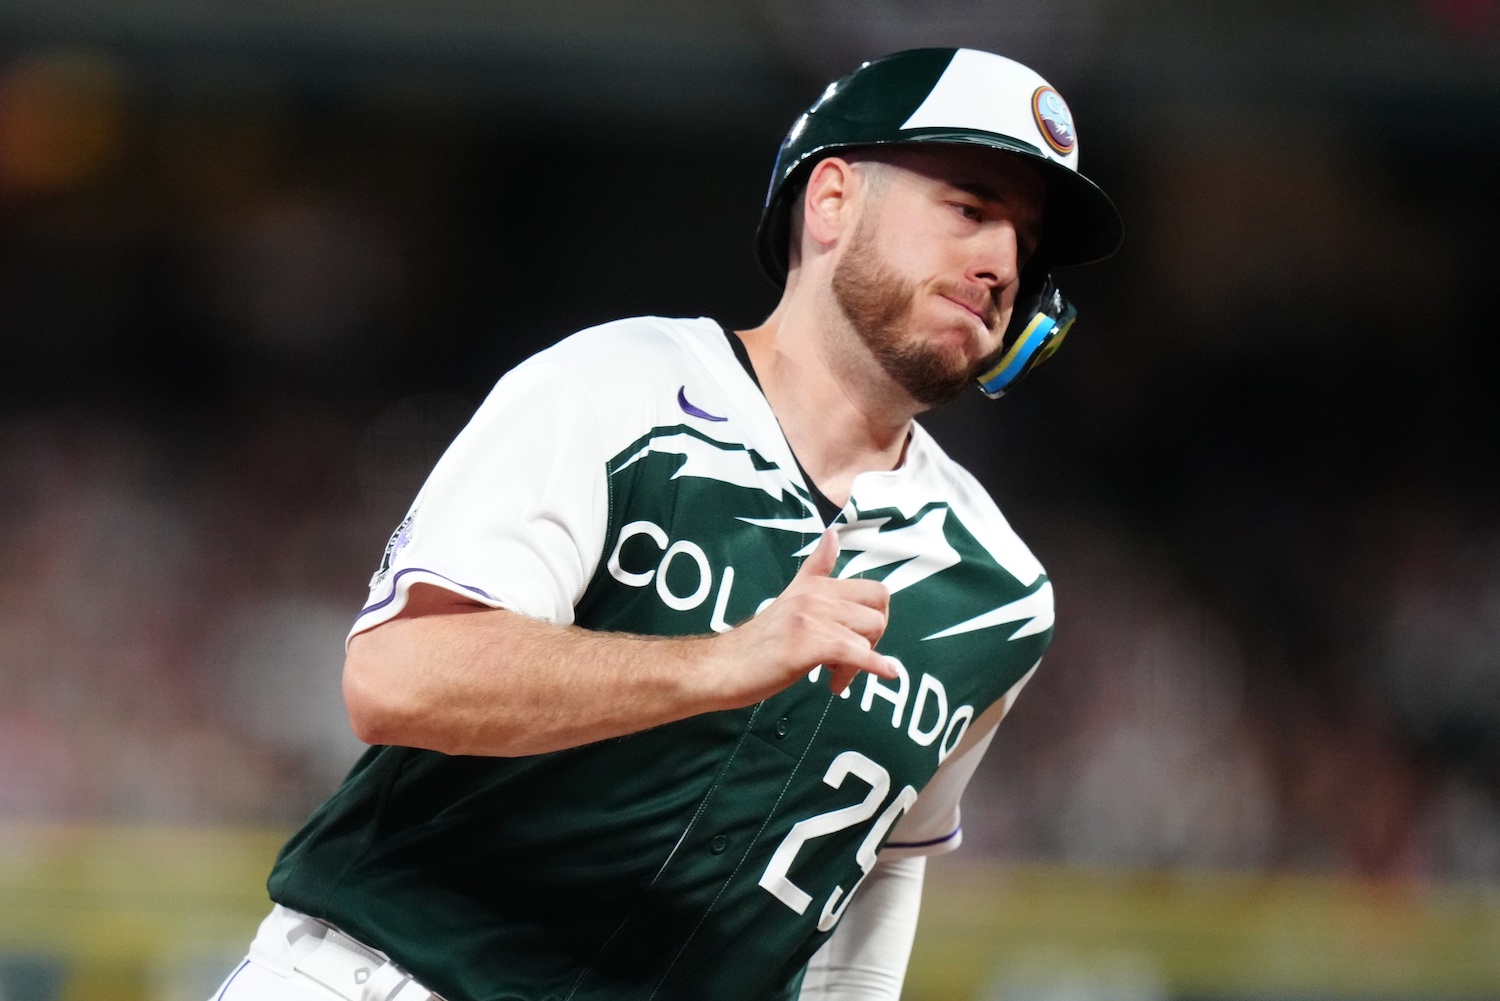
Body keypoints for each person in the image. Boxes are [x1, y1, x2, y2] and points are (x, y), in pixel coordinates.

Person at [211, 46, 1122, 1001]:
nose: (1001, 263)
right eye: (970, 208)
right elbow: (398, 675)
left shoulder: (1000, 595)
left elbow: (880, 863)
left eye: (1025, 239)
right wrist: (719, 662)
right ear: (833, 200)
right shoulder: (619, 389)